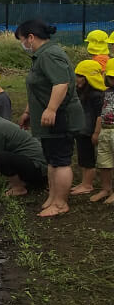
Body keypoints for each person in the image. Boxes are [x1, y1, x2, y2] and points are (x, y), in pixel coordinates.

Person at [16, 19, 83, 218]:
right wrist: (29, 112)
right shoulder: (41, 56)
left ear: (31, 37)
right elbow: (38, 88)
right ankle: (53, 198)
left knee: (61, 160)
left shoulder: (51, 55)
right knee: (52, 160)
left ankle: (61, 203)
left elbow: (61, 84)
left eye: (22, 40)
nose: (23, 45)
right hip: (47, 119)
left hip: (61, 117)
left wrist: (51, 109)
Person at [0, 104, 48, 196]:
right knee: (0, 156)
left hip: (39, 169)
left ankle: (19, 188)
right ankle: (22, 181)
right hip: (37, 165)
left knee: (0, 158)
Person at [70, 60, 104, 197]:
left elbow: (99, 116)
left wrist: (96, 133)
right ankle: (84, 182)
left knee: (88, 158)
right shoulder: (80, 92)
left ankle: (88, 184)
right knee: (83, 157)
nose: (76, 78)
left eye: (79, 75)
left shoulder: (97, 95)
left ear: (87, 78)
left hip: (89, 131)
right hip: (81, 130)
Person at [92, 60, 114, 203]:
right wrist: (96, 132)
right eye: (111, 77)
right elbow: (100, 113)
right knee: (104, 162)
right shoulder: (105, 93)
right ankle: (106, 189)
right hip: (105, 131)